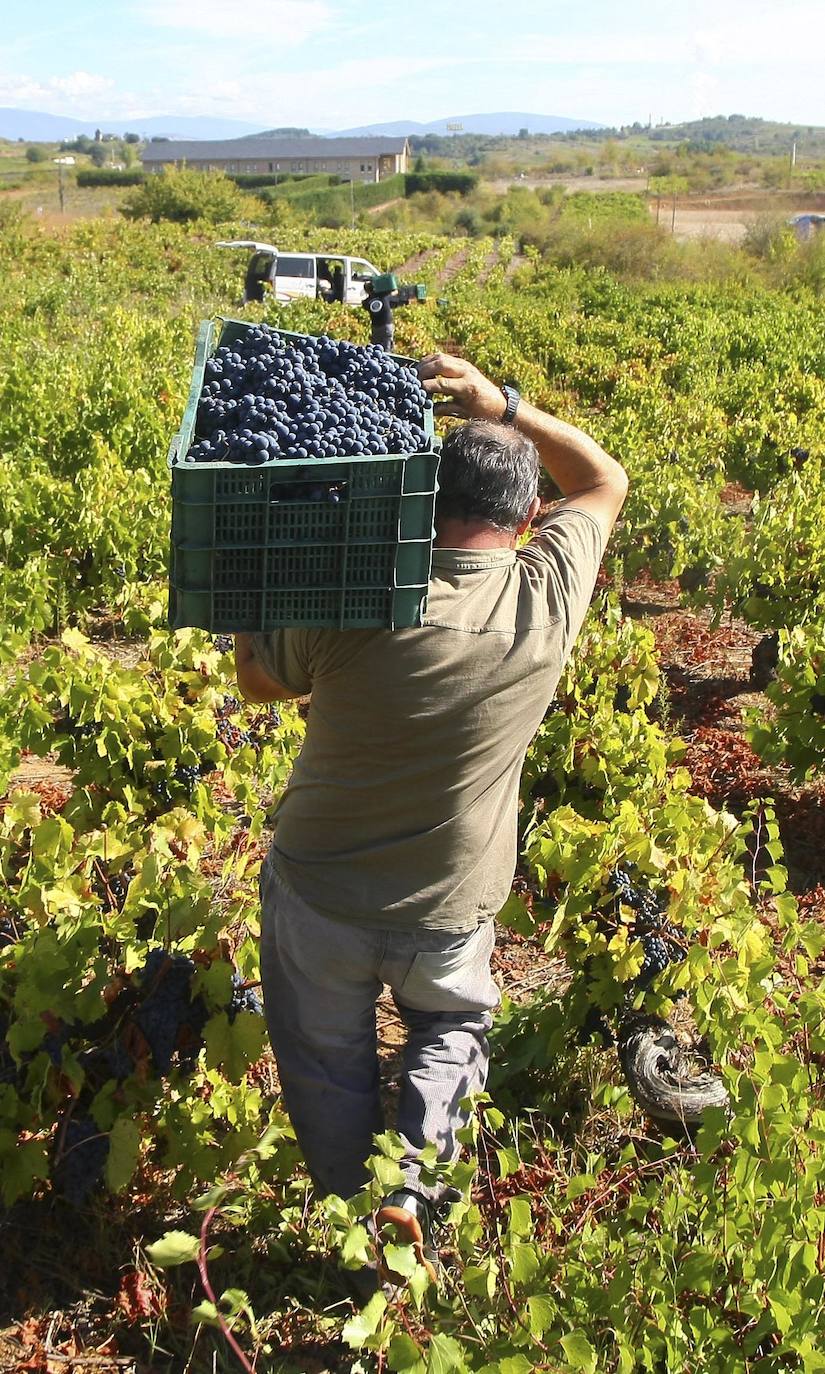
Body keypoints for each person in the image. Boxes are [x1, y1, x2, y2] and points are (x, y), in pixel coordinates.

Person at [234, 352, 628, 1282]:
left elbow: (258, 685)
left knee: (325, 1066)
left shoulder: (352, 595)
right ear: (530, 518)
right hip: (451, 902)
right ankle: (412, 1189)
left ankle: (350, 1226)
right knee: (449, 1032)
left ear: (421, 497)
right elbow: (605, 478)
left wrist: (255, 613)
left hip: (321, 891)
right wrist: (507, 405)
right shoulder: (546, 596)